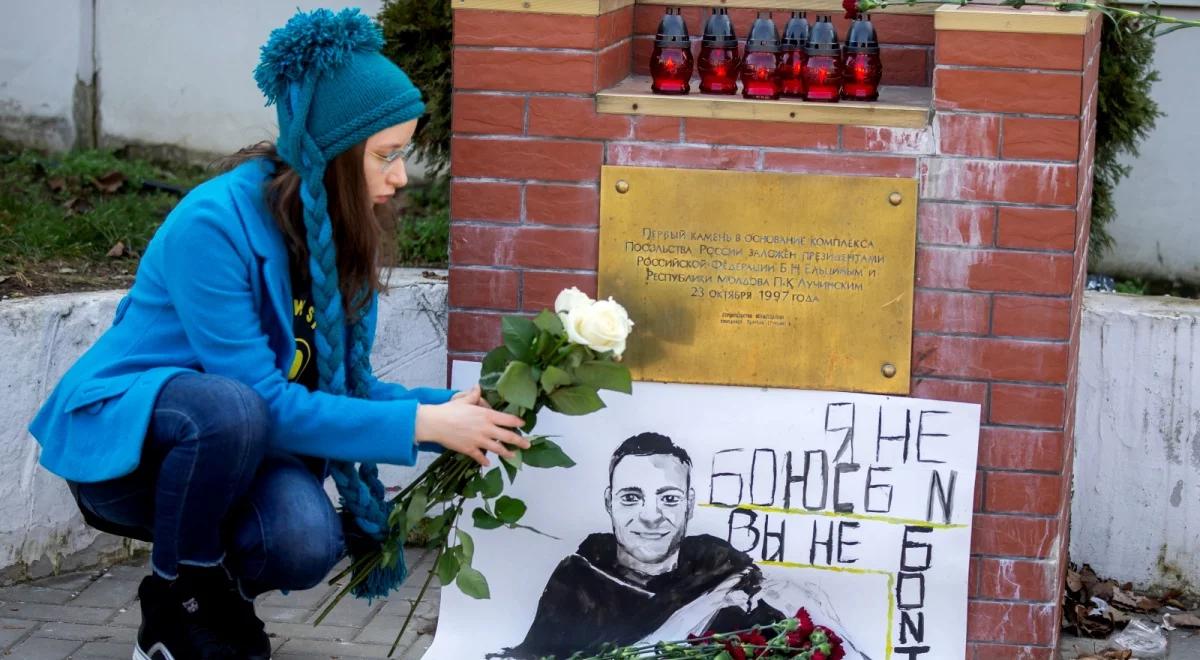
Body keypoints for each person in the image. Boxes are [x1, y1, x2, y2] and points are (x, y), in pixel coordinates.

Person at [26, 8, 526, 660]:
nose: (401, 176)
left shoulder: (338, 242)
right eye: (386, 155)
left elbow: (349, 388)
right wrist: (421, 428)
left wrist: (447, 410)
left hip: (236, 448)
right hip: (135, 452)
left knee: (303, 537)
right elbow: (258, 397)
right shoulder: (213, 223)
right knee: (231, 408)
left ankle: (208, 601)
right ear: (334, 156)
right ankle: (182, 602)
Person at [499, 432, 787, 659]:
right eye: (630, 497)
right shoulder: (576, 583)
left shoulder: (727, 576)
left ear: (689, 505)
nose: (651, 516)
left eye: (670, 499)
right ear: (609, 502)